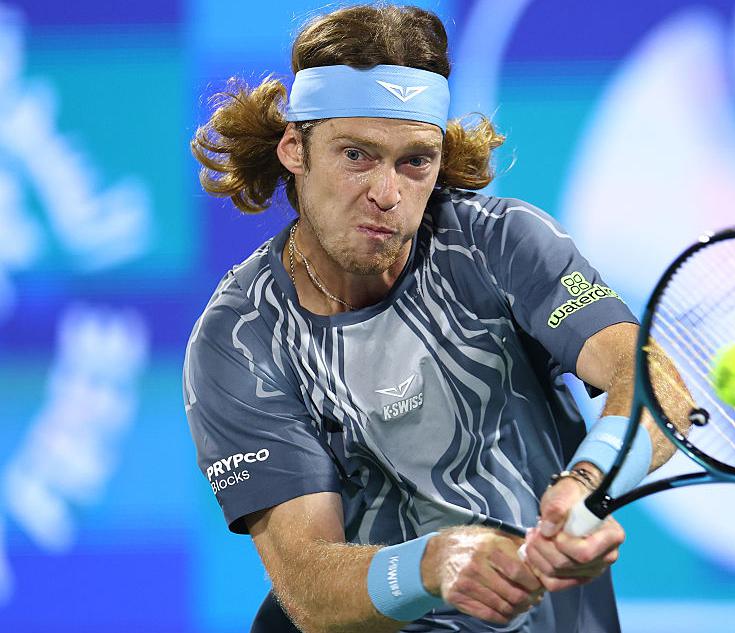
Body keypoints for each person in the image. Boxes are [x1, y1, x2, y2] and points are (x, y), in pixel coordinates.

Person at [184, 5, 689, 632]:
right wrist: (431, 564)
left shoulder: (499, 244)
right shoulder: (240, 339)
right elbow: (310, 589)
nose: (387, 194)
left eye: (415, 161)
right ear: (295, 148)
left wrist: (588, 485)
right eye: (357, 155)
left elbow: (655, 385)